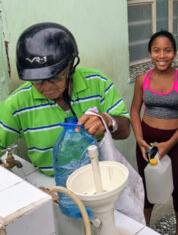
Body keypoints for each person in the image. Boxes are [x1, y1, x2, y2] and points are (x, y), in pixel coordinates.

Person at [0, 22, 130, 176]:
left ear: (70, 67)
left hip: (99, 178)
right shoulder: (16, 104)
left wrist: (107, 121)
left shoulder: (98, 83)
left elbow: (125, 130)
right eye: (37, 80)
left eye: (55, 77)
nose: (46, 86)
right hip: (54, 186)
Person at [130, 30, 178, 235]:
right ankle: (143, 229)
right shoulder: (142, 79)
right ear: (150, 53)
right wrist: (139, 139)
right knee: (146, 185)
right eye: (156, 50)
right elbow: (134, 110)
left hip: (174, 142)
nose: (162, 55)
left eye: (167, 50)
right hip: (146, 142)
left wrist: (169, 144)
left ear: (174, 53)